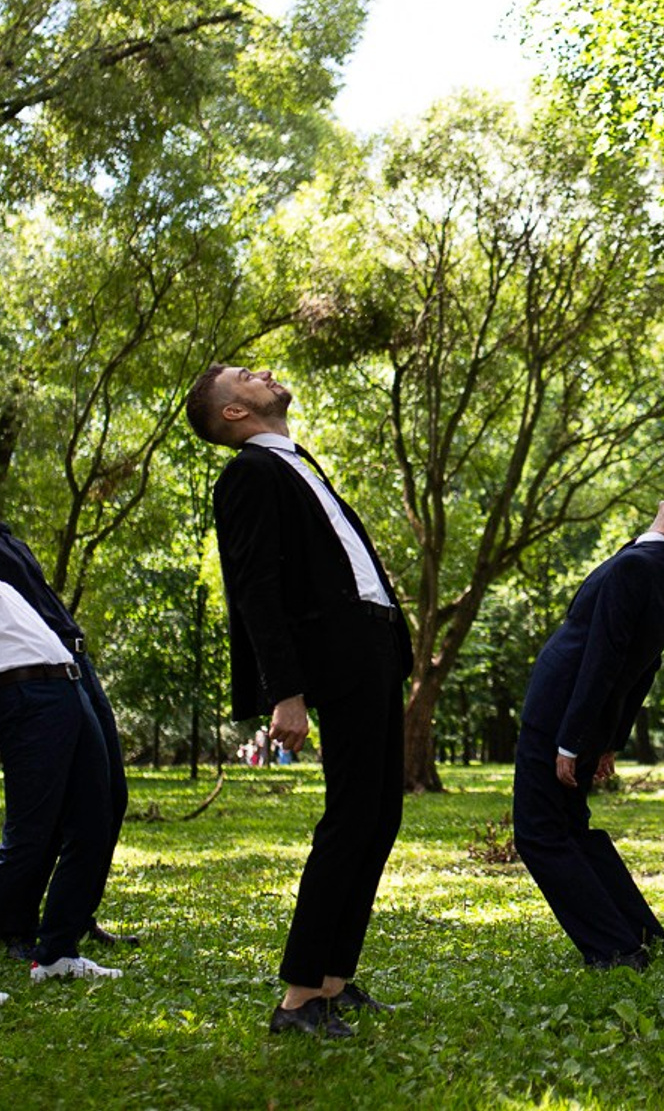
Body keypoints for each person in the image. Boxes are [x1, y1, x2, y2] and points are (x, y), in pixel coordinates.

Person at [185, 364, 413, 1038]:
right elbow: (253, 588)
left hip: (371, 649)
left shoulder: (297, 462)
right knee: (349, 819)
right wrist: (285, 692)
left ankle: (334, 982)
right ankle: (296, 999)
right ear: (232, 413)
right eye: (245, 375)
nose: (263, 373)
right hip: (334, 661)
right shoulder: (250, 475)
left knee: (379, 816)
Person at [513, 485, 664, 969]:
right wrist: (610, 740)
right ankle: (642, 937)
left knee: (540, 834)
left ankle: (617, 950)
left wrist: (574, 741)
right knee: (571, 829)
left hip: (561, 713)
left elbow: (606, 658)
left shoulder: (641, 567)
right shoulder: (661, 570)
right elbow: (643, 667)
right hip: (579, 717)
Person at [0, 522, 135, 961]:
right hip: (31, 676)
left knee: (108, 798)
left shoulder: (7, 538)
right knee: (40, 818)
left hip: (69, 659)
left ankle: (70, 922)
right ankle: (16, 926)